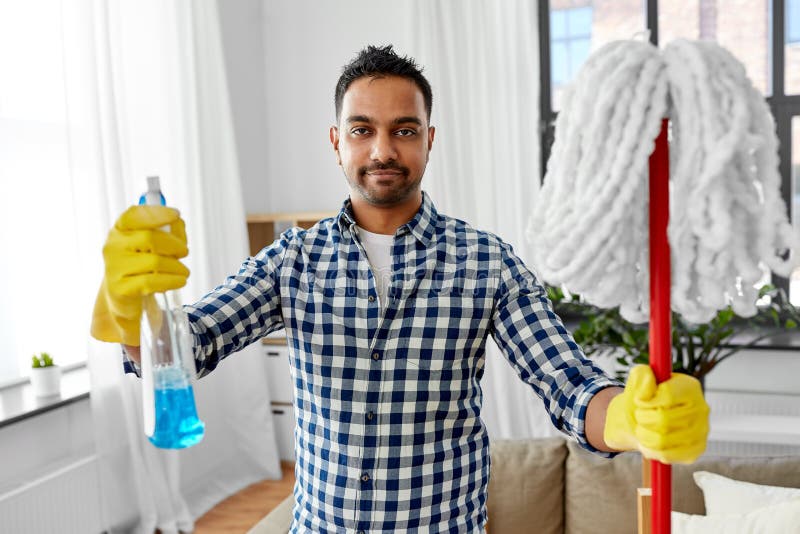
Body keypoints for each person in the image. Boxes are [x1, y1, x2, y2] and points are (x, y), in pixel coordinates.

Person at [91, 45, 709, 533]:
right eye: (362, 129)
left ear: (429, 140)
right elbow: (187, 348)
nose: (383, 149)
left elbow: (568, 386)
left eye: (405, 130)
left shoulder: (486, 263)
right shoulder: (293, 261)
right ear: (337, 142)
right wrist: (127, 309)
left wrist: (629, 418)